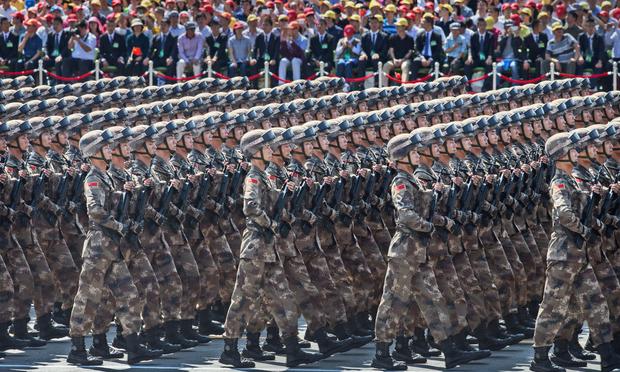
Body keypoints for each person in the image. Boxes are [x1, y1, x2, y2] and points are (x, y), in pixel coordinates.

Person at [68, 129, 161, 366]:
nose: (111, 149)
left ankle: (133, 346)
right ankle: (77, 349)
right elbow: (95, 211)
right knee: (88, 298)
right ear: (94, 152)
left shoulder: (107, 176)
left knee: (128, 295)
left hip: (113, 247)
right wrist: (119, 225)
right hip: (99, 246)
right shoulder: (92, 178)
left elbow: (113, 203)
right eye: (106, 147)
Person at [530, 131, 620, 372]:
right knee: (552, 307)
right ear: (562, 154)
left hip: (579, 255)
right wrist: (583, 230)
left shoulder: (574, 180)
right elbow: (563, 212)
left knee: (596, 302)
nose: (577, 152)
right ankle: (539, 359)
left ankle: (608, 355)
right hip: (563, 255)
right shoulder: (559, 182)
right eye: (573, 149)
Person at [383, 18, 414, 83]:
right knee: (386, 66)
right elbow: (391, 50)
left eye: (399, 26)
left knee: (405, 66)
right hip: (394, 60)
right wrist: (394, 59)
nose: (396, 27)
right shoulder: (392, 37)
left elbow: (410, 52)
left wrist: (402, 60)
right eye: (396, 26)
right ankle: (384, 88)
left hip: (405, 60)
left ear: (404, 27)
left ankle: (404, 86)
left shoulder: (410, 39)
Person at [413, 15, 444, 79]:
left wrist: (430, 59)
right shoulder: (420, 35)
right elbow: (416, 49)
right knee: (415, 62)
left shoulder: (437, 36)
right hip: (422, 57)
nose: (421, 23)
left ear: (429, 23)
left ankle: (431, 85)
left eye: (423, 22)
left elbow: (438, 51)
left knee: (435, 65)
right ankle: (412, 84)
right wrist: (422, 58)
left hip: (433, 58)